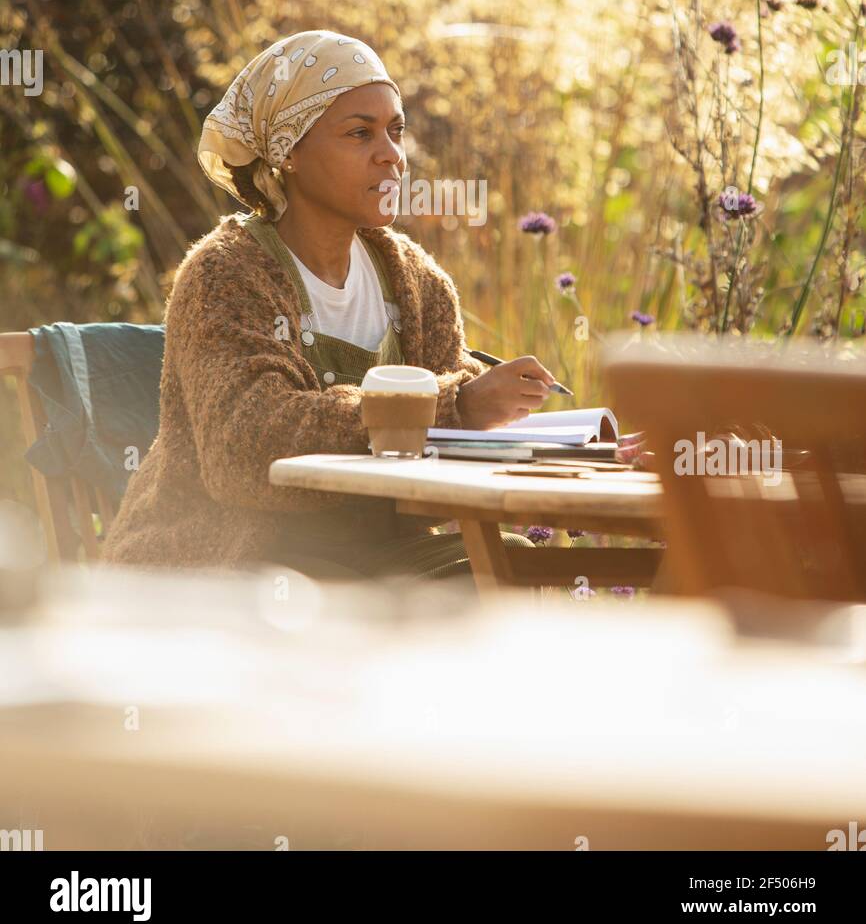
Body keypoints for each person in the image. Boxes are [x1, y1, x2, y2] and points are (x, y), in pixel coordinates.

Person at [102, 30, 557, 588]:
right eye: (359, 133)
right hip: (239, 560)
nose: (390, 153)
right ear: (289, 151)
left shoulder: (416, 282)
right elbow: (247, 450)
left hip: (378, 552)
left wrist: (545, 437)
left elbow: (452, 426)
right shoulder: (226, 273)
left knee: (509, 565)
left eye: (395, 131)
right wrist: (454, 405)